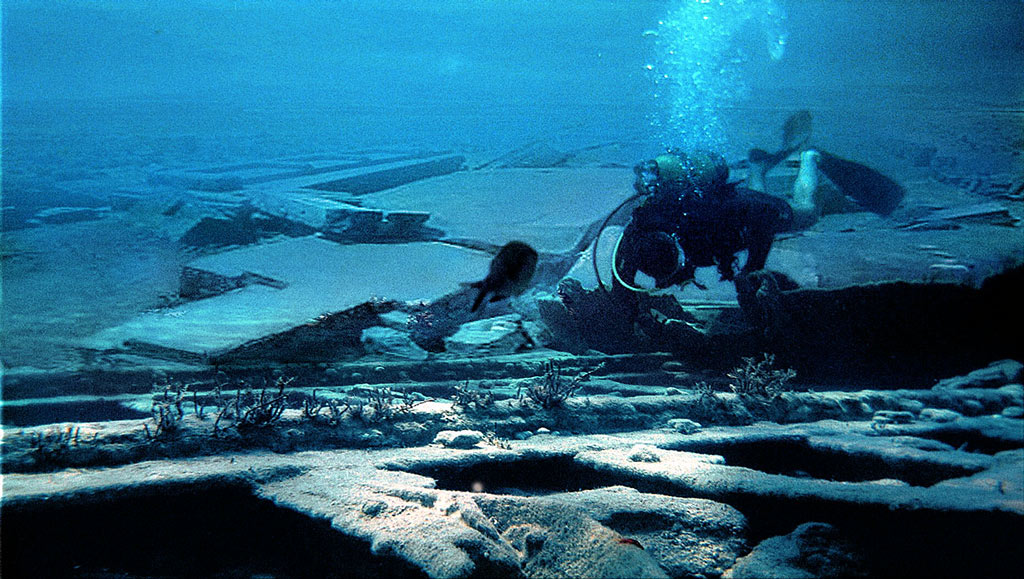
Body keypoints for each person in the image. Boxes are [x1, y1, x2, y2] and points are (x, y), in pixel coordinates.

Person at [612, 149, 795, 291]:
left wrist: (754, 266)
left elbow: (765, 213)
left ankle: (808, 159)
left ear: (681, 256)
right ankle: (757, 167)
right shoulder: (641, 229)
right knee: (755, 198)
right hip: (738, 213)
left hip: (755, 209)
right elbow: (622, 274)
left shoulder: (708, 220)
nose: (661, 283)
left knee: (803, 213)